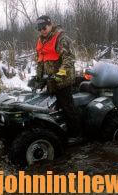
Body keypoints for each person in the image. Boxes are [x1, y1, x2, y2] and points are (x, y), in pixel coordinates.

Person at [34, 15, 83, 143]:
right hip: (49, 80)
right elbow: (40, 61)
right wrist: (38, 78)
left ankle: (76, 134)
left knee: (67, 106)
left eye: (44, 27)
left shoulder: (61, 38)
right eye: (39, 29)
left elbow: (69, 59)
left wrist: (59, 75)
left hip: (62, 80)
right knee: (49, 106)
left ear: (50, 25)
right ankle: (57, 130)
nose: (42, 30)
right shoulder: (41, 40)